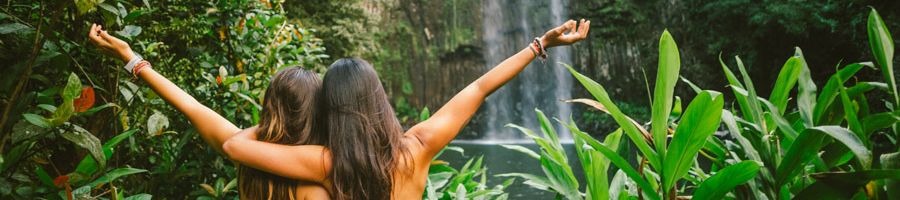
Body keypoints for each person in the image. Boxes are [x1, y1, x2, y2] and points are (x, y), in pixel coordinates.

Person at [223, 19, 591, 199]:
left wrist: (272, 118)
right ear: (378, 99)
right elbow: (480, 88)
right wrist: (538, 46)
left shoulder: (325, 163)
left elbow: (234, 146)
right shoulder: (417, 148)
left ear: (330, 111)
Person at [87, 24, 330, 199]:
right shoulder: (314, 186)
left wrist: (130, 58)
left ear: (269, 106)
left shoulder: (244, 154)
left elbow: (191, 105)